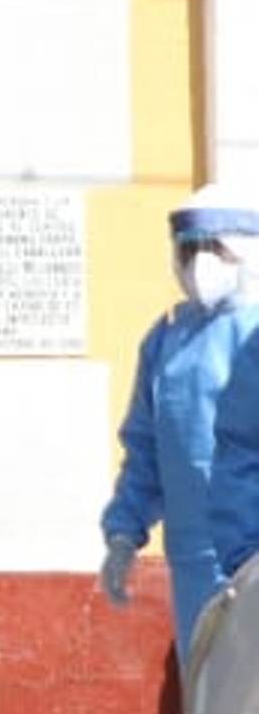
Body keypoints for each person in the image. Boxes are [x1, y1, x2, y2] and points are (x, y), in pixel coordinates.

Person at [105, 184, 259, 655]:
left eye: (214, 248)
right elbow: (146, 447)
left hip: (254, 564)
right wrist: (123, 534)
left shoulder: (254, 334)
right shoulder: (167, 339)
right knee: (211, 699)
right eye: (189, 249)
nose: (199, 262)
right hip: (193, 563)